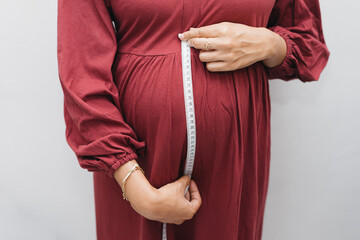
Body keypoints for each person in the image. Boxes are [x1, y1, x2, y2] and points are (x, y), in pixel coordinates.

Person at [57, 0, 330, 239]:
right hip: (134, 165)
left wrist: (270, 44)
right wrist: (138, 191)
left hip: (234, 158)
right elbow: (81, 75)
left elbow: (307, 39)